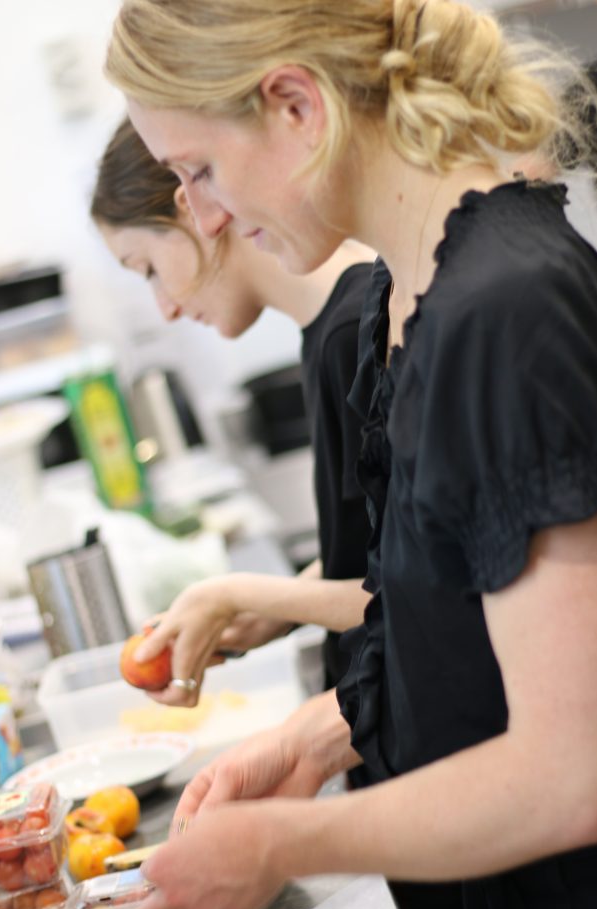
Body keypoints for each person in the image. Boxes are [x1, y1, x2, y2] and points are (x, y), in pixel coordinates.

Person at [106, 2, 597, 909]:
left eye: (196, 170)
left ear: (293, 105)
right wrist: (325, 734)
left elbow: (571, 768)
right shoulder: (405, 304)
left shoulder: (502, 312)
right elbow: (458, 637)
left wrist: (284, 842)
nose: (197, 216)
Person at [91, 117, 375, 701]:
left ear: (192, 209)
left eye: (148, 269)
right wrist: (279, 608)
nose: (165, 308)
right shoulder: (330, 331)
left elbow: (420, 591)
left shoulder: (358, 330)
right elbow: (379, 545)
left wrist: (239, 595)